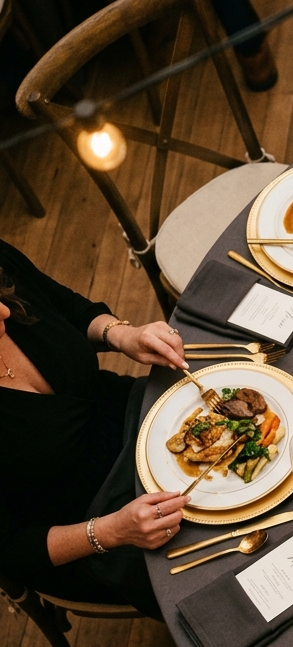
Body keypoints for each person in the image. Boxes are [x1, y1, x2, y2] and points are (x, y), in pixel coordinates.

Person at [0, 240, 188, 618]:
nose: (3, 310)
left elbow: (64, 305)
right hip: (90, 522)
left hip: (134, 413)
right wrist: (110, 532)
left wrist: (121, 334)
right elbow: (9, 549)